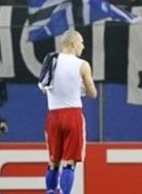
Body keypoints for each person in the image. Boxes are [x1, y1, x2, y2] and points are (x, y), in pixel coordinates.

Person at [38, 30, 98, 194]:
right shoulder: (82, 65)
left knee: (53, 161)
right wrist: (81, 87)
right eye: (81, 42)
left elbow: (43, 87)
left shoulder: (50, 61)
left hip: (53, 115)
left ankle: (50, 190)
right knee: (69, 162)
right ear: (73, 43)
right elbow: (93, 93)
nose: (83, 46)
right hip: (72, 115)